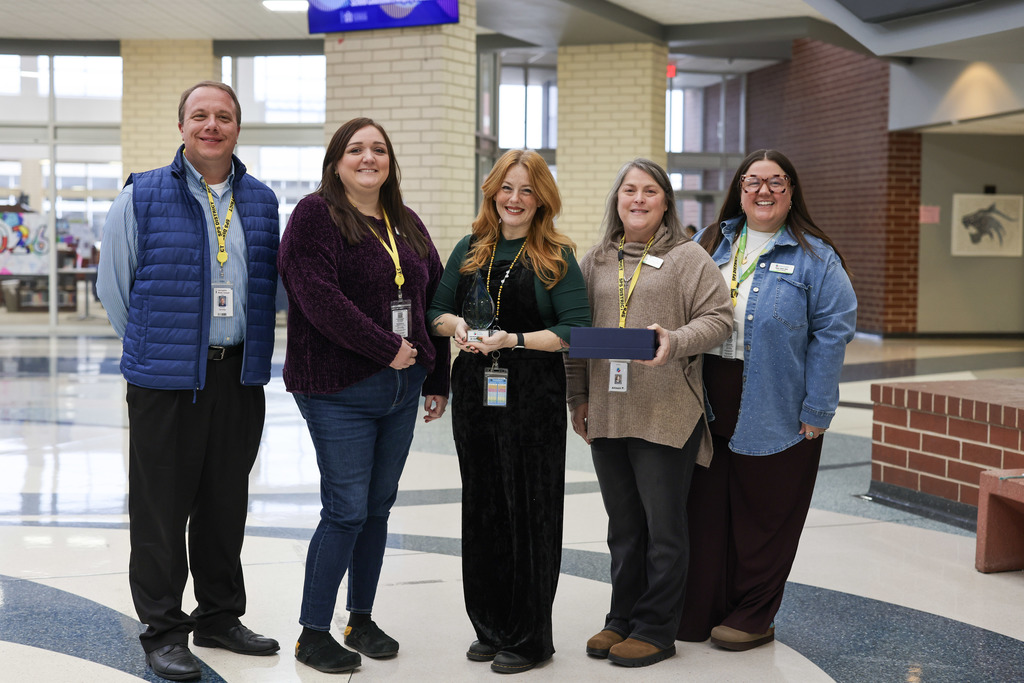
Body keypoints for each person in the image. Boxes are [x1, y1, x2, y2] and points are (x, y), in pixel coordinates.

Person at [96, 81, 281, 682]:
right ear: (181, 127)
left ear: (237, 127)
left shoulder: (260, 201)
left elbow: (269, 290)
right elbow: (114, 287)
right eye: (199, 115)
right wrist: (155, 349)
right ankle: (164, 630)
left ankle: (220, 616)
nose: (211, 125)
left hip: (238, 375)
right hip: (167, 379)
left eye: (223, 116)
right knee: (160, 509)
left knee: (225, 504)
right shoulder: (142, 194)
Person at [278, 117, 450, 675]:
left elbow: (433, 298)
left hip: (402, 387)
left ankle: (361, 618)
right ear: (336, 161)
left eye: (379, 149)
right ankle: (311, 631)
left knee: (378, 508)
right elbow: (317, 299)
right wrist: (385, 347)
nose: (368, 158)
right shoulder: (314, 215)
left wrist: (437, 374)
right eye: (356, 149)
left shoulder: (407, 222)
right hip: (337, 388)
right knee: (346, 510)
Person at [677, 149, 857, 651]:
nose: (764, 191)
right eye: (753, 181)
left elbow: (832, 334)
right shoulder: (707, 244)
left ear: (792, 191)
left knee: (765, 516)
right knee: (705, 511)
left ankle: (753, 614)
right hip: (704, 397)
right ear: (739, 189)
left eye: (776, 182)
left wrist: (817, 409)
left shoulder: (817, 257)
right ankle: (700, 608)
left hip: (776, 399)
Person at [426, 149, 591, 674]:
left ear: (542, 198)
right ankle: (491, 624)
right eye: (506, 188)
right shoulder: (470, 248)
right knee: (484, 507)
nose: (515, 199)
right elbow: (434, 312)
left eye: (526, 190)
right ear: (492, 192)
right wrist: (459, 329)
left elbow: (575, 329)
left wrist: (512, 338)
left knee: (530, 510)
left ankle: (528, 636)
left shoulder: (556, 254)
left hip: (531, 393)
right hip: (476, 390)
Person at [564, 159, 732, 668]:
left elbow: (720, 318)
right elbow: (574, 335)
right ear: (617, 199)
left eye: (650, 191)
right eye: (629, 191)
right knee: (623, 527)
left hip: (666, 410)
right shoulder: (593, 260)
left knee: (664, 528)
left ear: (665, 202)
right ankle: (621, 619)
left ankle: (658, 629)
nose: (638, 199)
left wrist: (675, 341)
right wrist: (577, 398)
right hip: (610, 409)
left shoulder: (688, 258)